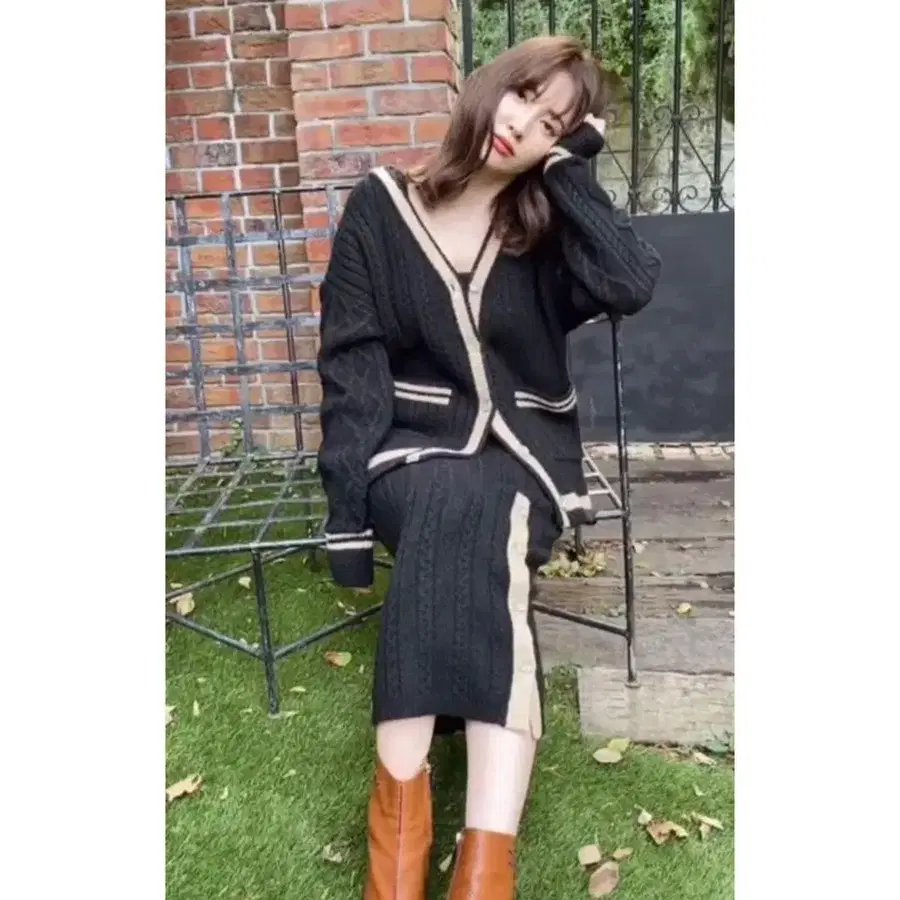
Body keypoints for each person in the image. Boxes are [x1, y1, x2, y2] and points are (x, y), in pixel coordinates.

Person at [316, 34, 662, 900]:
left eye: (552, 125)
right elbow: (352, 368)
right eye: (523, 97)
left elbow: (631, 282)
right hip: (406, 452)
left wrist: (571, 173)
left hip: (523, 457)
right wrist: (347, 515)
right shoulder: (379, 208)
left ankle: (419, 870)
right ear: (491, 86)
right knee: (457, 505)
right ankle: (473, 871)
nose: (523, 125)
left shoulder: (546, 231)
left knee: (479, 508)